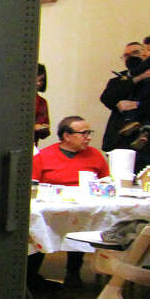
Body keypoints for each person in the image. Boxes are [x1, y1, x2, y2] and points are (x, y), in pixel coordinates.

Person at [31, 116, 110, 289]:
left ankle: (73, 273)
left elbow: (106, 182)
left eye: (90, 133)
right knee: (38, 227)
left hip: (84, 208)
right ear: (67, 135)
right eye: (84, 133)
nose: (89, 137)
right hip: (51, 208)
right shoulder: (44, 156)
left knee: (82, 226)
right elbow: (33, 183)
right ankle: (31, 276)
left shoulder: (95, 155)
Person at [116, 34, 150, 169]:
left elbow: (136, 70)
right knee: (148, 118)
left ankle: (132, 122)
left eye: (148, 50)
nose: (145, 53)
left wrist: (131, 75)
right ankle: (144, 133)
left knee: (137, 106)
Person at [99, 41, 144, 152]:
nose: (131, 57)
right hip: (120, 138)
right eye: (127, 55)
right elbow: (107, 99)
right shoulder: (118, 80)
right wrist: (134, 80)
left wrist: (138, 105)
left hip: (147, 137)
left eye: (136, 52)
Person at [34, 64, 50, 146]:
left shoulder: (41, 102)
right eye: (35, 79)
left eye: (41, 80)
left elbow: (44, 133)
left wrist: (43, 129)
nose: (38, 83)